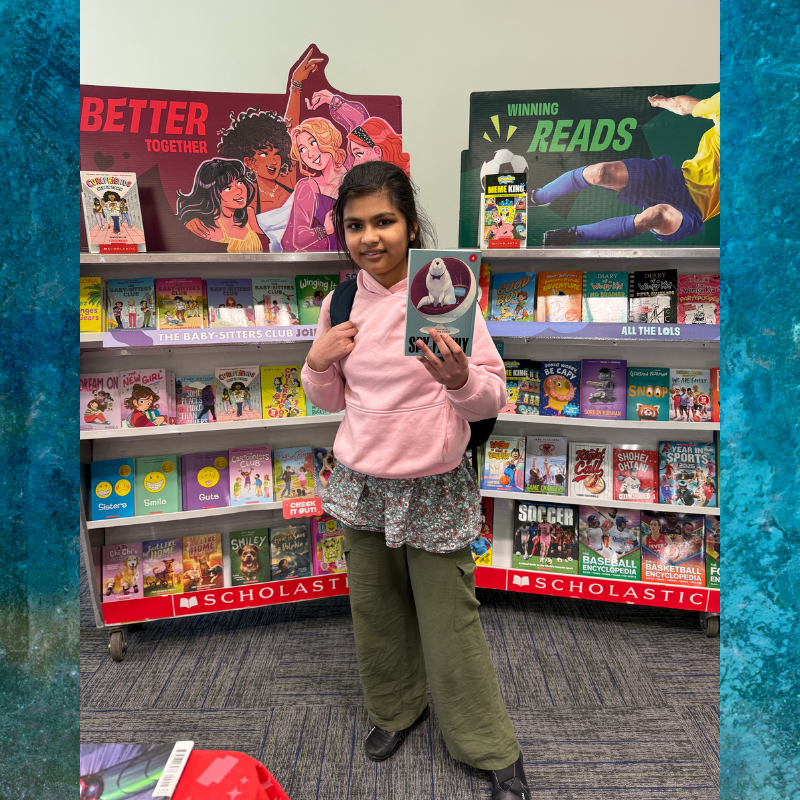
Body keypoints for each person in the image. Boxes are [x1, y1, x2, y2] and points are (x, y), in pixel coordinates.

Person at [300, 161, 529, 798]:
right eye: (355, 226)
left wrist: (459, 380)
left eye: (384, 221)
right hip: (363, 480)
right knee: (375, 609)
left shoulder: (447, 293)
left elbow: (490, 399)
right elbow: (328, 399)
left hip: (432, 481)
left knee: (449, 617)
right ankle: (396, 709)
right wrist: (315, 364)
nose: (370, 237)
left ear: (410, 225)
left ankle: (486, 744)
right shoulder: (340, 301)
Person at [533, 92, 720, 246]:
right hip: (673, 178)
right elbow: (686, 106)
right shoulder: (728, 104)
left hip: (692, 211)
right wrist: (662, 103)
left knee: (658, 215)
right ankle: (538, 197)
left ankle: (573, 235)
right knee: (600, 173)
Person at [177, 158, 265, 253]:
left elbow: (269, 244)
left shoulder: (248, 213)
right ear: (212, 192)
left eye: (239, 182)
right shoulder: (202, 226)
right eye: (228, 188)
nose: (239, 191)